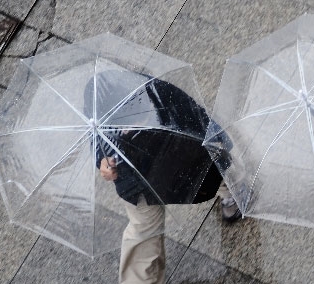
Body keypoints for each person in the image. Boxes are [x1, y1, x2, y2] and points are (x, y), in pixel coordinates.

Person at [87, 70, 227, 284]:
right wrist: (103, 162)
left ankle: (233, 189)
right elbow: (96, 140)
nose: (123, 128)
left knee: (211, 176)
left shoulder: (157, 93)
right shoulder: (97, 104)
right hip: (135, 180)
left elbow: (196, 120)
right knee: (143, 231)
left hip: (178, 156)